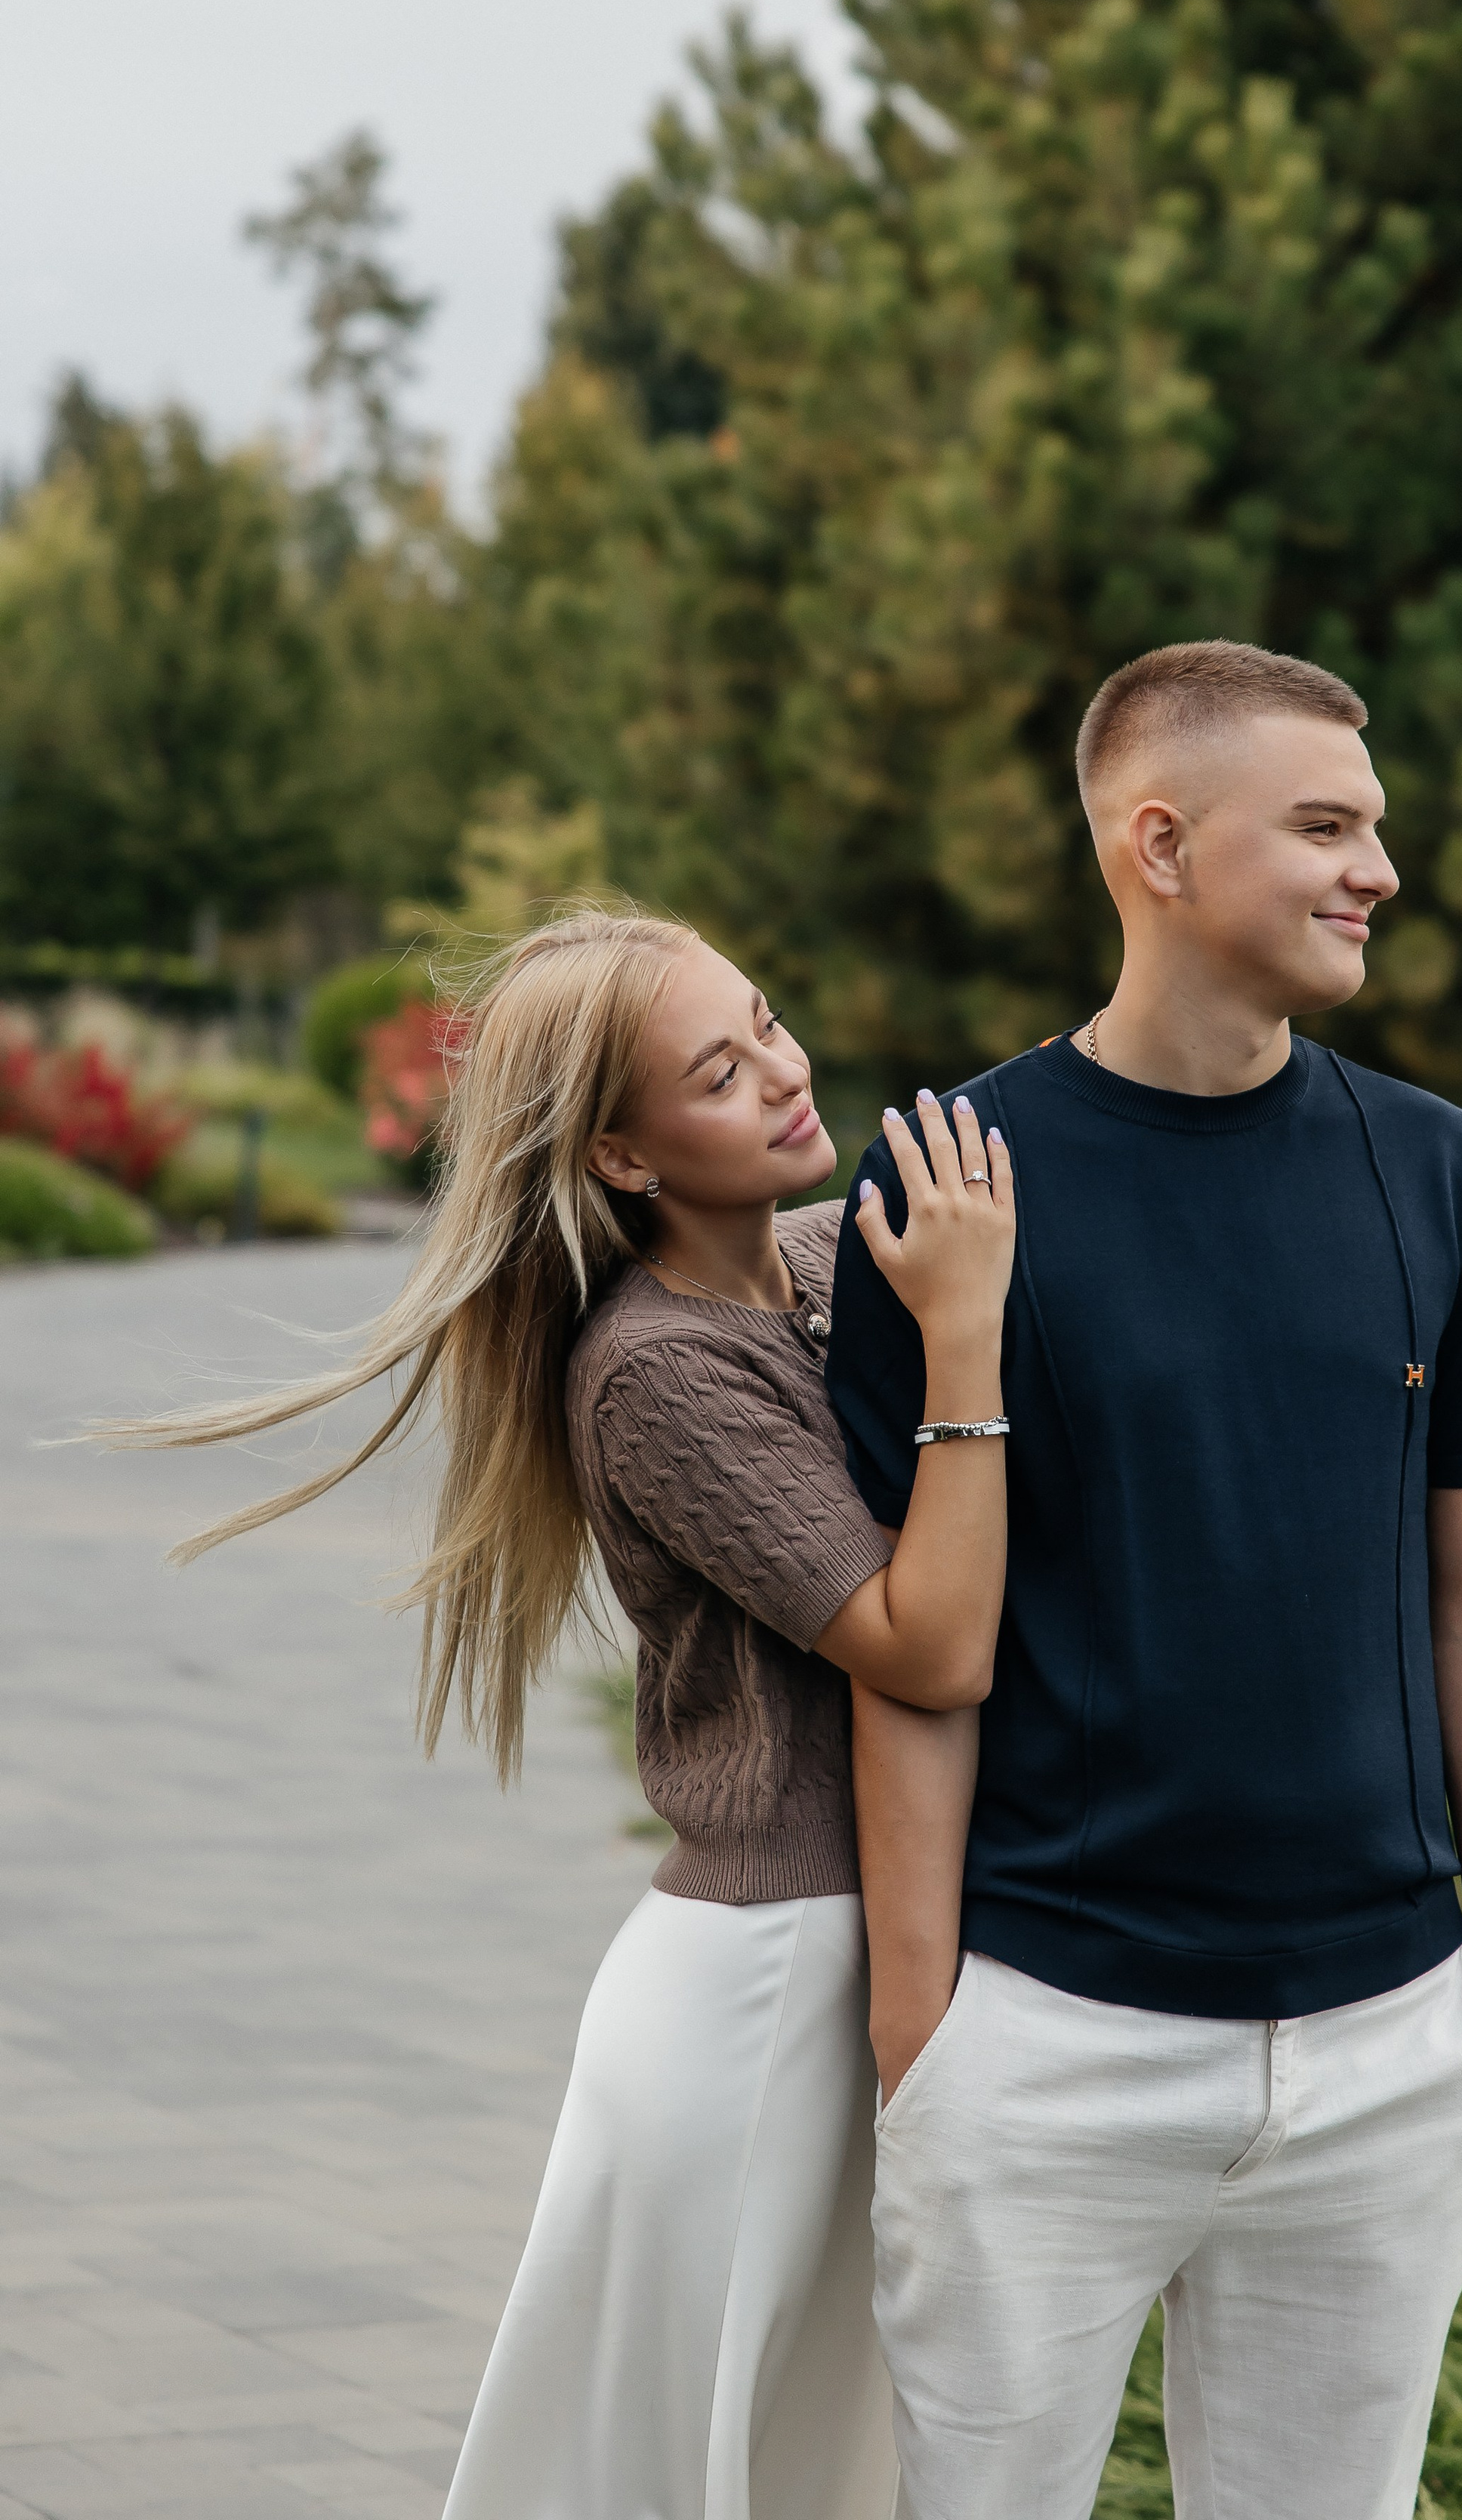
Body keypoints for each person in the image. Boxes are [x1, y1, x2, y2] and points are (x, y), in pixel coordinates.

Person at [114, 906, 1014, 2520]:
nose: (782, 1074)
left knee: (811, 2462)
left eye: (766, 1021)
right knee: (682, 2470)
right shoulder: (651, 1369)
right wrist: (964, 1339)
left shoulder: (829, 1265)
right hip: (768, 1987)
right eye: (718, 1073)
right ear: (619, 1155)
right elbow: (928, 1647)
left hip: (863, 1951)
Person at [825, 641, 1462, 2520]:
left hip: (1392, 2043)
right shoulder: (950, 1183)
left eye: (1371, 827)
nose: (1376, 870)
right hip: (1047, 2035)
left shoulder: (1436, 1171)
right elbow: (910, 1647)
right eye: (1323, 827)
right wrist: (924, 2037)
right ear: (1157, 846)